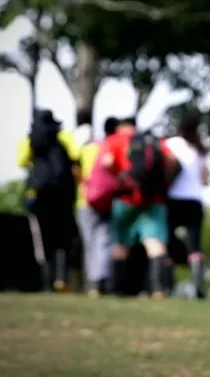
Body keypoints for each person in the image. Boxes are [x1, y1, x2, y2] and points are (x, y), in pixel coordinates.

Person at [102, 117, 178, 299]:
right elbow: (172, 161)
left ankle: (117, 289)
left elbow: (107, 162)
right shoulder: (154, 140)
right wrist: (164, 182)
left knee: (121, 244)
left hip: (126, 198)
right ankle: (158, 288)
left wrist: (117, 176)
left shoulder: (114, 140)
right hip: (154, 199)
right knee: (155, 243)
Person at [17, 109, 80, 292]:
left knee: (44, 240)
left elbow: (21, 161)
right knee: (63, 238)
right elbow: (76, 156)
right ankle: (61, 278)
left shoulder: (29, 140)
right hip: (64, 194)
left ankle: (46, 282)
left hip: (39, 194)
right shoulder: (64, 136)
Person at [165, 111, 210, 299]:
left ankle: (166, 285)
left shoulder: (171, 144)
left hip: (173, 198)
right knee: (195, 245)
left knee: (167, 241)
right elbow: (206, 179)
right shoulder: (200, 149)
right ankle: (198, 286)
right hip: (195, 200)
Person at [76, 116, 119, 297]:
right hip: (108, 200)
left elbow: (75, 169)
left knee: (90, 241)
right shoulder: (111, 147)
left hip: (85, 200)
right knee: (103, 240)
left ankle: (92, 282)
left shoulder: (88, 148)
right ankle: (102, 279)